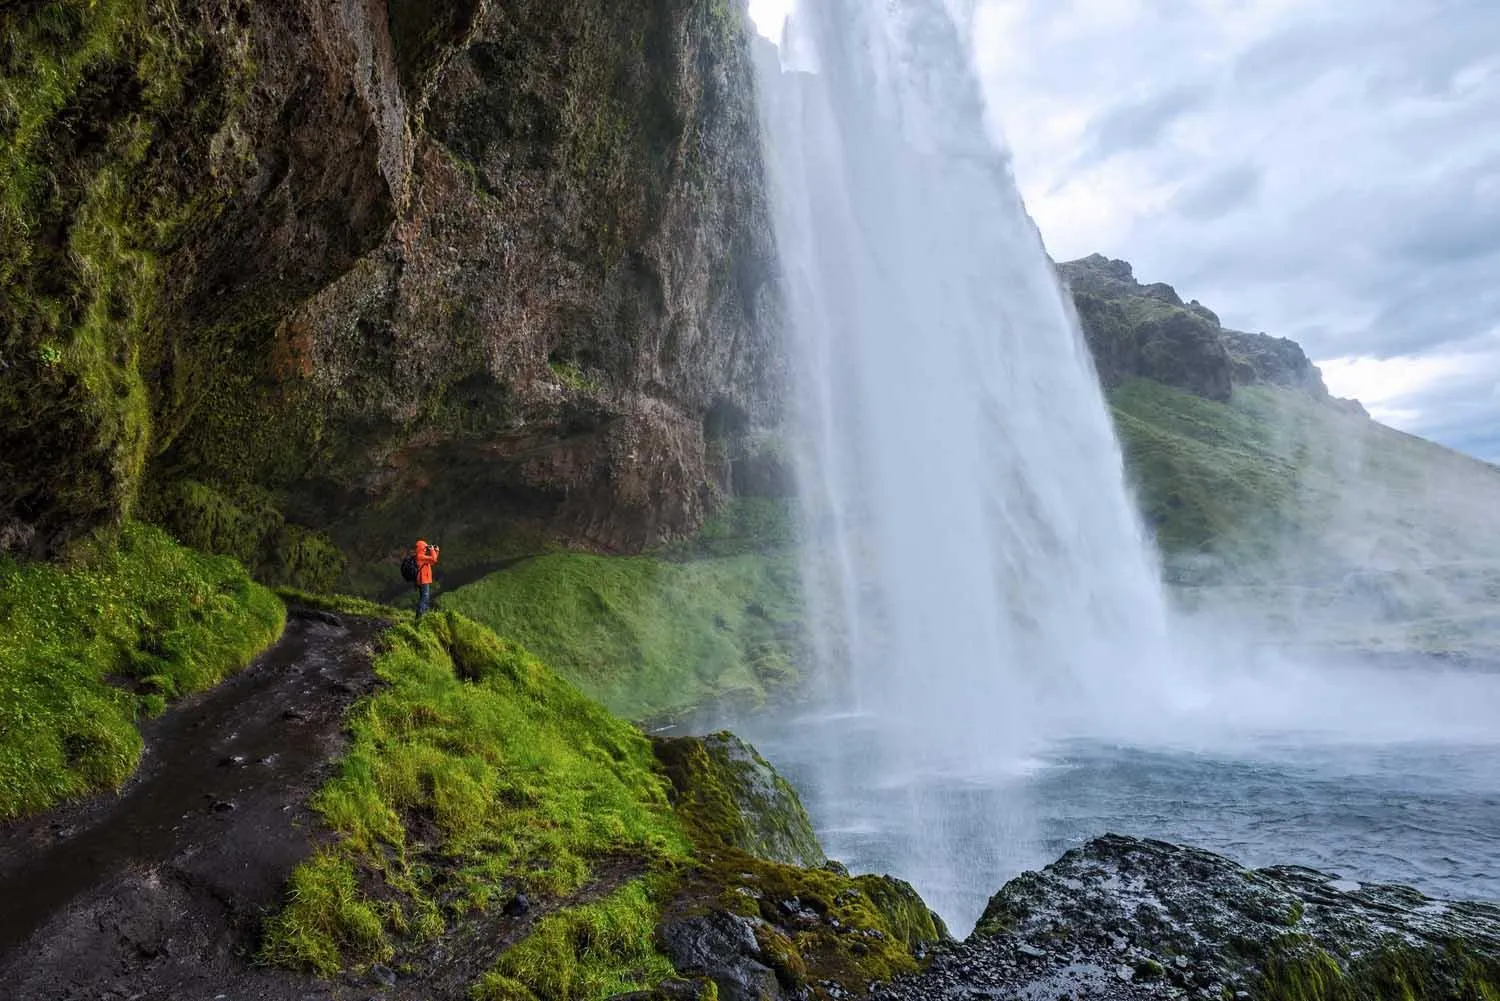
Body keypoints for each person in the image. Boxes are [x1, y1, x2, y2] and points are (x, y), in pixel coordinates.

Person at [413, 539, 440, 619]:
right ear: (421, 548)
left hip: (422, 580)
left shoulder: (421, 556)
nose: (426, 548)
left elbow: (432, 561)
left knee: (424, 597)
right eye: (425, 547)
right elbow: (433, 559)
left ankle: (421, 614)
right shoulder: (420, 556)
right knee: (425, 597)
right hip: (423, 580)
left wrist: (436, 551)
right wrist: (432, 550)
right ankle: (419, 614)